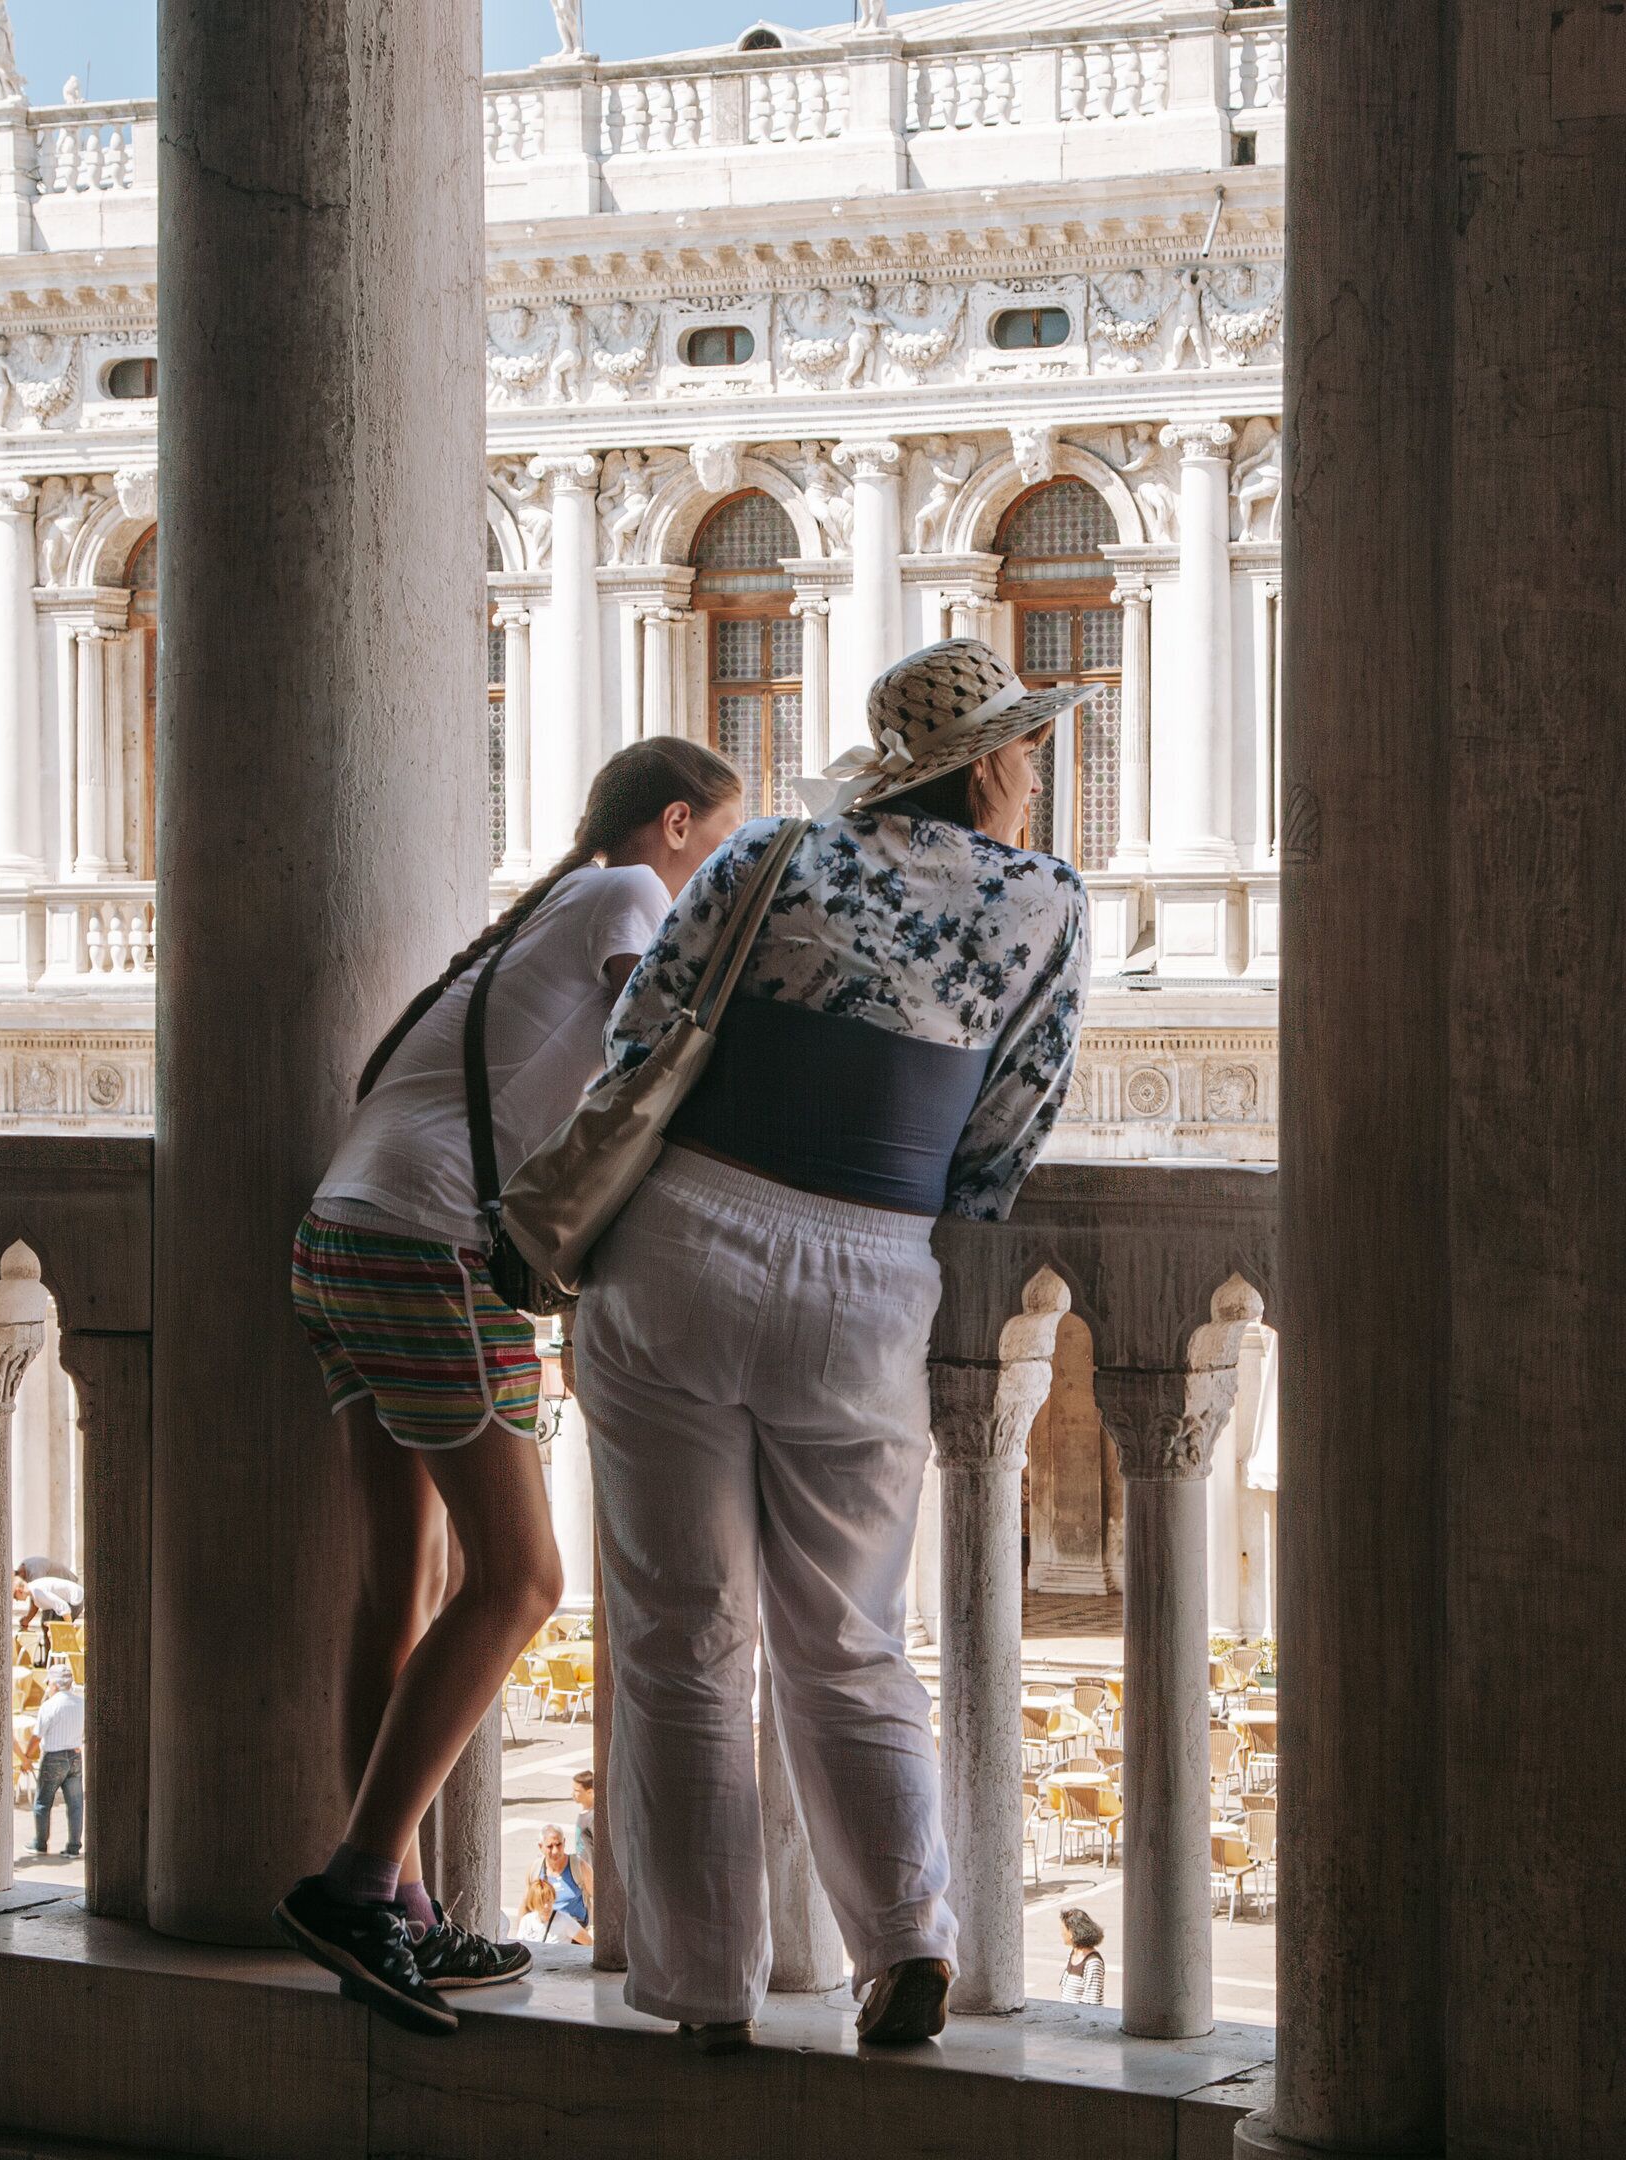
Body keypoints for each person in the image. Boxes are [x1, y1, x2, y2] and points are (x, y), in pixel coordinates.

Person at [574, 640, 1091, 2055]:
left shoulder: (769, 855)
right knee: (849, 1636)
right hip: (865, 1268)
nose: (1034, 771)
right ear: (988, 768)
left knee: (682, 1640)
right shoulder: (1045, 900)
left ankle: (704, 1993)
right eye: (1024, 749)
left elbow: (640, 1031)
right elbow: (1010, 1128)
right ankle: (906, 1943)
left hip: (680, 1244)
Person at [269, 738, 747, 2040]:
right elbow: (662, 1049)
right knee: (523, 1578)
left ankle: (401, 1903)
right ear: (674, 824)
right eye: (720, 849)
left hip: (342, 1237)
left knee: (401, 1587)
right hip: (429, 1247)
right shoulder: (628, 891)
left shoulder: (539, 913)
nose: (719, 881)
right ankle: (356, 1884)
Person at [32, 1670, 85, 1858]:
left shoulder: (49, 1706)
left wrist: (26, 1757)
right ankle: (74, 1847)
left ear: (54, 1684)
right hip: (75, 1756)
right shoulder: (81, 1703)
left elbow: (37, 1736)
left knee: (42, 1803)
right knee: (76, 1805)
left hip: (53, 1757)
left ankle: (40, 1843)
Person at [1060, 1909, 1108, 2008]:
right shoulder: (1073, 1954)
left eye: (1063, 1929)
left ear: (1072, 1933)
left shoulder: (1093, 1962)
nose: (1061, 1933)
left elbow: (1090, 2003)